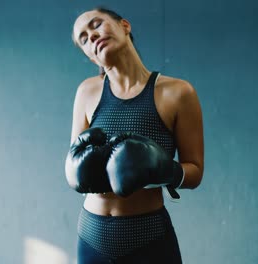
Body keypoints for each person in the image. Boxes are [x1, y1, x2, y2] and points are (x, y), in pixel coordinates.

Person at [65, 7, 204, 264]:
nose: (92, 36)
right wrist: (76, 170)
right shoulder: (87, 92)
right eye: (84, 38)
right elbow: (75, 161)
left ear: (124, 26)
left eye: (96, 24)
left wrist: (164, 170)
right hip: (92, 239)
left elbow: (195, 171)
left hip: (149, 239)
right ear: (90, 56)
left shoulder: (178, 92)